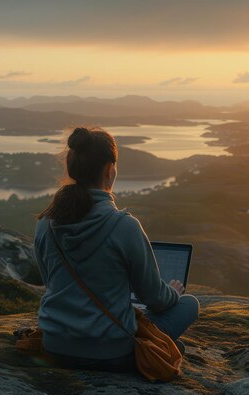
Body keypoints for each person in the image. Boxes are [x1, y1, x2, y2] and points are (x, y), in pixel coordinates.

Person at [33, 126, 199, 373]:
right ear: (110, 171)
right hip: (109, 352)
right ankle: (157, 348)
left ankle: (159, 345)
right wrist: (173, 293)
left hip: (54, 345)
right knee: (189, 304)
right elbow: (155, 298)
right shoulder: (124, 226)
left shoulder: (46, 223)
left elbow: (53, 284)